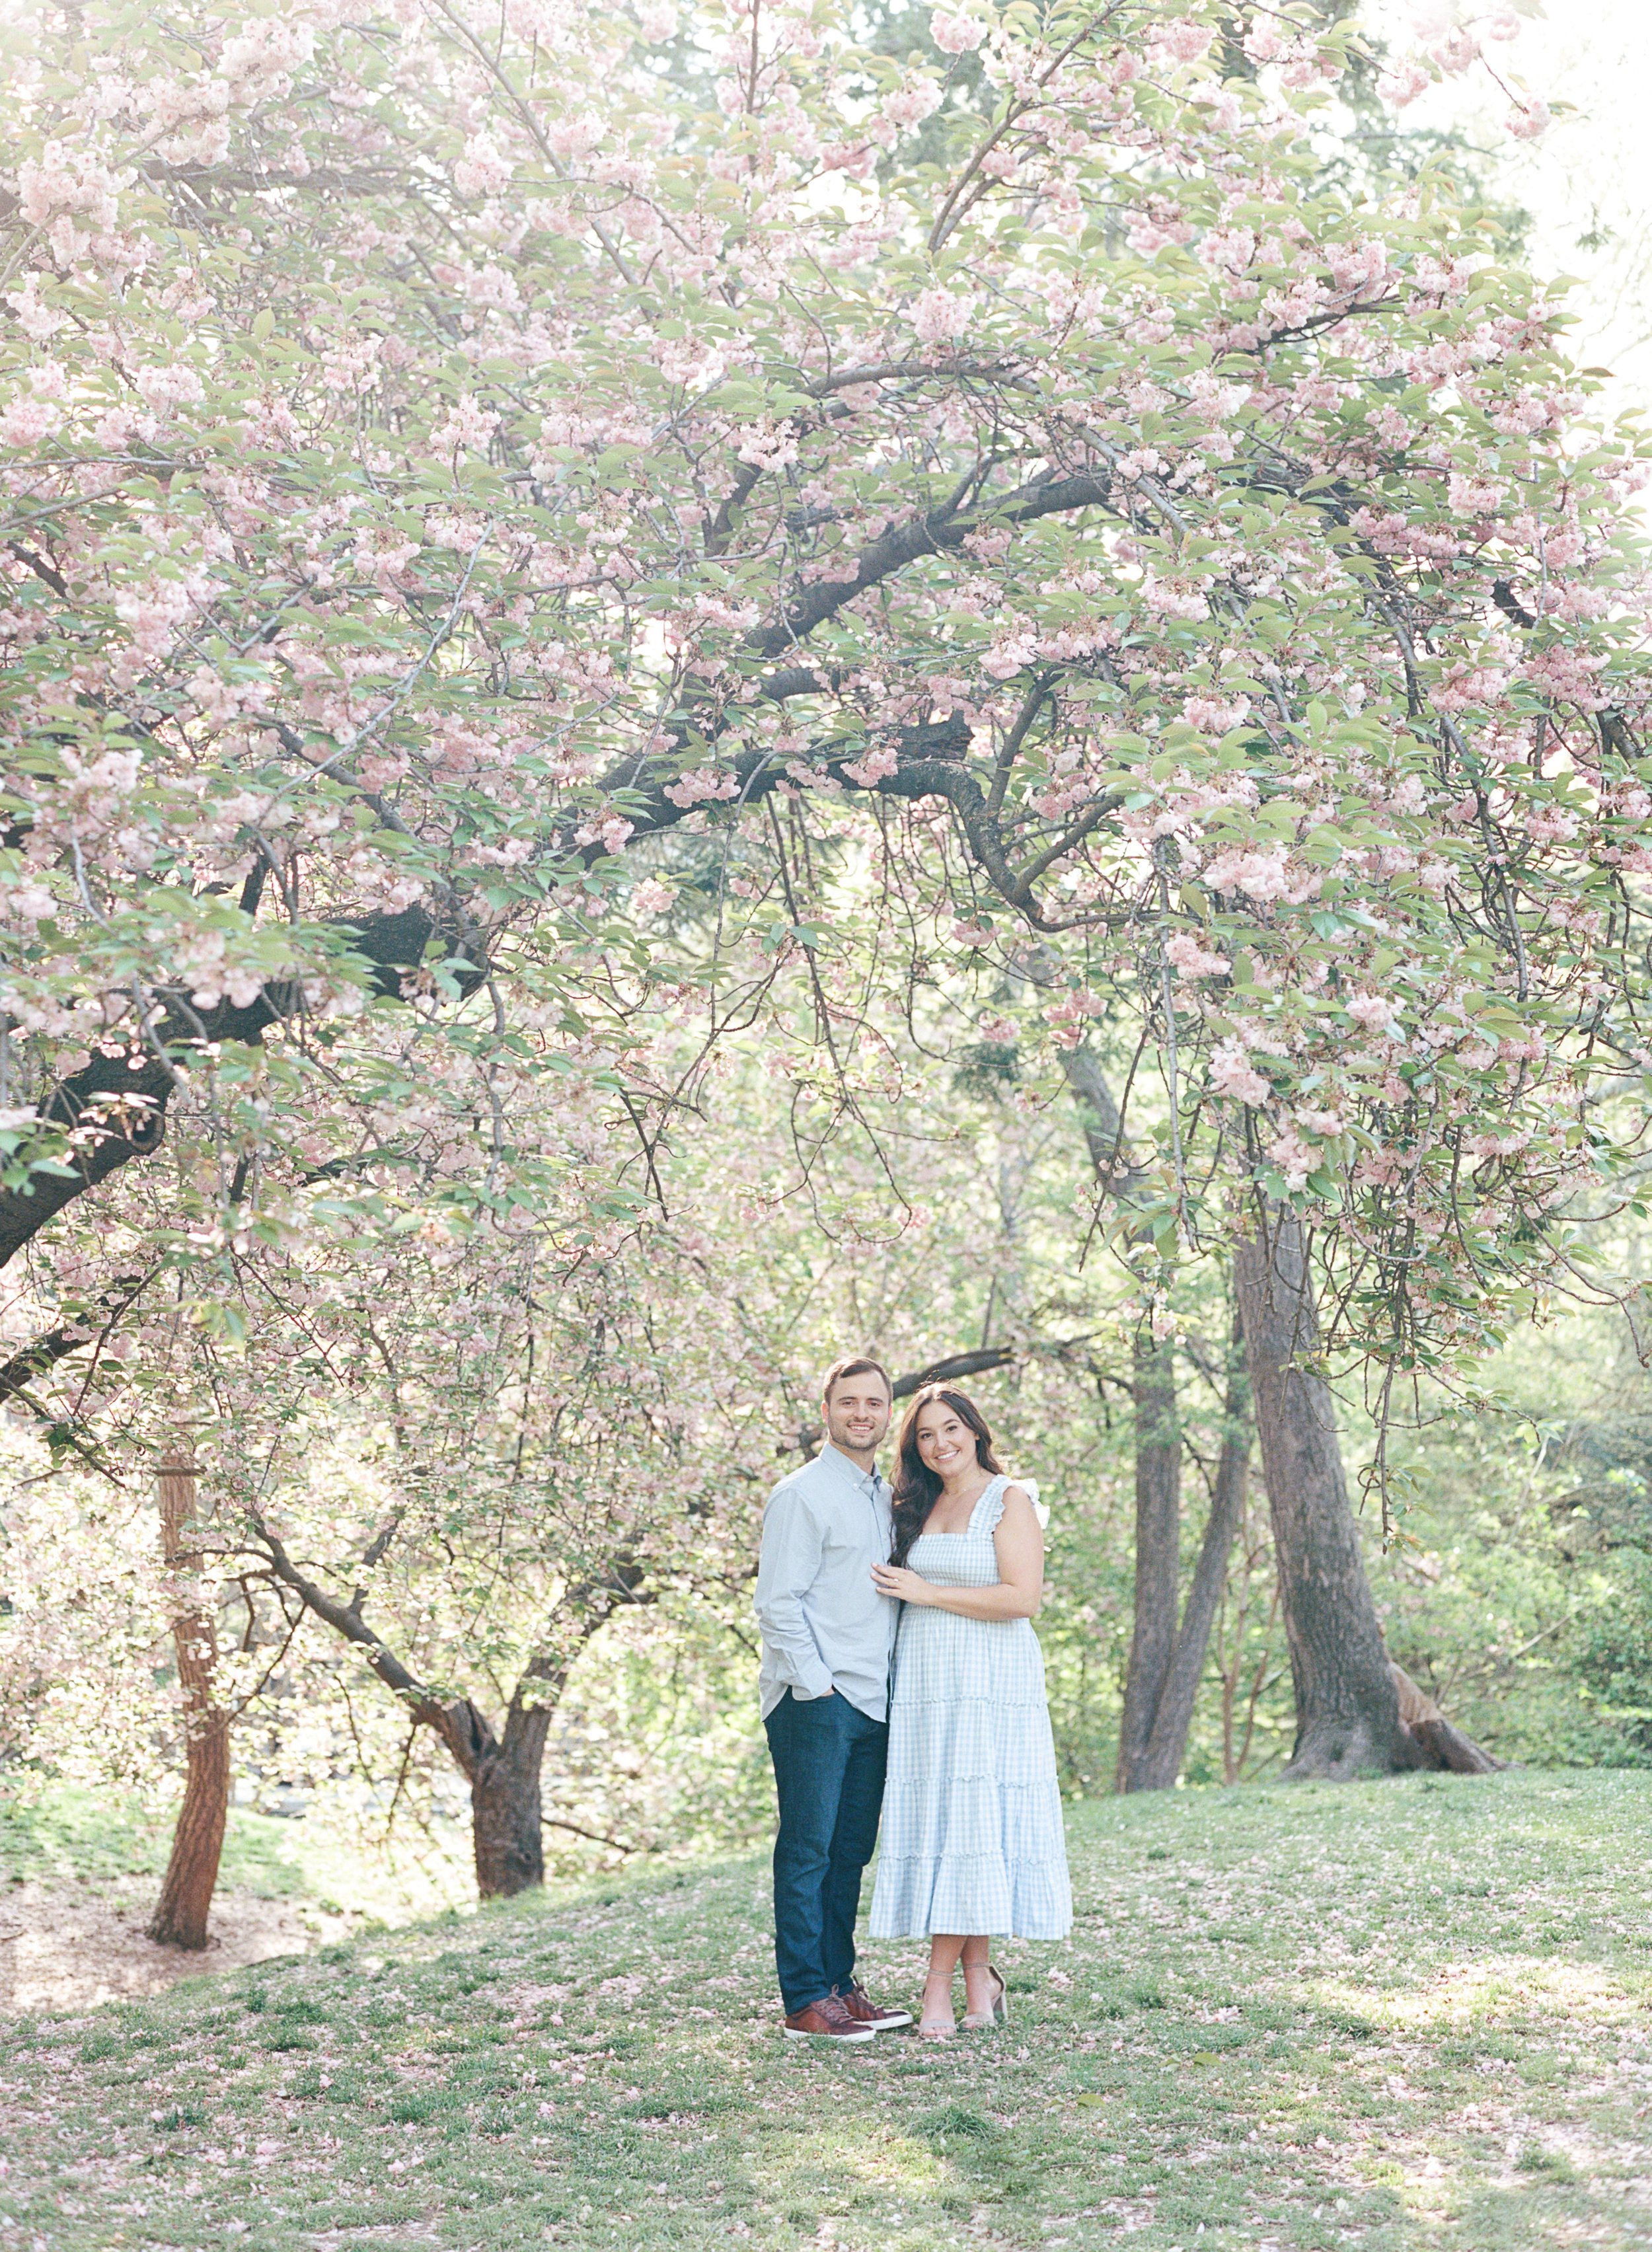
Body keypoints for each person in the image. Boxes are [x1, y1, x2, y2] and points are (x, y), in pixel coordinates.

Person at [868, 1383, 1072, 2038]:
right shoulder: (918, 1504)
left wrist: (929, 1592)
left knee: (973, 1820)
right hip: (929, 1680)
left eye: (950, 1429)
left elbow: (1023, 1599)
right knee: (955, 1825)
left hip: (990, 1681)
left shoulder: (1009, 1499)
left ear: (974, 1431)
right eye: (925, 1435)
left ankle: (937, 1989)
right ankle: (979, 1982)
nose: (939, 1445)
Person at [753, 1355, 914, 2043]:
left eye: (873, 1403)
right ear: (826, 1411)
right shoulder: (801, 1494)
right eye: (848, 1402)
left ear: (887, 1414)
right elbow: (776, 1604)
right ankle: (804, 2000)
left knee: (849, 1851)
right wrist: (817, 1684)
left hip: (874, 1699)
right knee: (809, 1850)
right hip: (815, 1700)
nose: (861, 1414)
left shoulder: (887, 1497)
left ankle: (840, 1986)